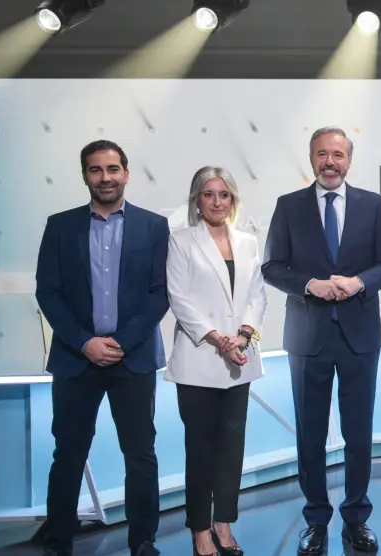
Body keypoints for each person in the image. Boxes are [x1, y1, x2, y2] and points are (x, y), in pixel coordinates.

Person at [262, 127, 381, 554]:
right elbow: (272, 267)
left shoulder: (372, 205)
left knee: (359, 433)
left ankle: (356, 518)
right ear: (311, 158)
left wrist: (359, 281)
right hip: (308, 338)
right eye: (322, 154)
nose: (330, 162)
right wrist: (310, 285)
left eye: (337, 155)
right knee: (310, 434)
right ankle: (316, 520)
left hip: (359, 336)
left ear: (349, 160)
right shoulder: (289, 206)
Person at [35, 140, 169, 556]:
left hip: (134, 359)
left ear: (126, 173)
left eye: (113, 169)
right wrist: (85, 342)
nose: (105, 177)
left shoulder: (154, 226)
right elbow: (48, 292)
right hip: (77, 360)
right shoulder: (60, 226)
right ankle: (59, 541)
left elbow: (160, 293)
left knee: (140, 454)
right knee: (69, 453)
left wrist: (121, 343)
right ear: (85, 176)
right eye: (96, 170)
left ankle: (143, 540)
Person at [164, 166, 268, 556]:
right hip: (199, 360)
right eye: (209, 195)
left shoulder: (248, 242)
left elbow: (258, 296)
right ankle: (199, 530)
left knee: (232, 448)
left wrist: (242, 335)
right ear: (197, 200)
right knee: (201, 449)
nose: (217, 202)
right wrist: (217, 338)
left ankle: (223, 523)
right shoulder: (180, 241)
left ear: (233, 200)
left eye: (224, 195)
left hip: (239, 359)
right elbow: (179, 299)